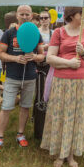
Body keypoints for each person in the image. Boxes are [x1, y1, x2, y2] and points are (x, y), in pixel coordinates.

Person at [41, 7, 84, 167]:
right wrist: (68, 63)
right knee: (62, 116)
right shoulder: (59, 32)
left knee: (77, 117)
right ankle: (61, 153)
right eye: (81, 13)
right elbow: (49, 58)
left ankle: (72, 153)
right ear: (72, 15)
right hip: (63, 82)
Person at [0, 5, 45, 153]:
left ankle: (20, 134)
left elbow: (42, 55)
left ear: (31, 16)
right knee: (6, 106)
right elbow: (0, 54)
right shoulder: (8, 33)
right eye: (22, 14)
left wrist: (34, 57)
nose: (25, 17)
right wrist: (15, 58)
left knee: (25, 107)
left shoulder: (36, 33)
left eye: (27, 14)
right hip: (12, 77)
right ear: (17, 15)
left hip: (30, 77)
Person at [33, 10, 53, 140]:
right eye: (42, 18)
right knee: (39, 95)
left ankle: (49, 126)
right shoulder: (36, 32)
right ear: (39, 20)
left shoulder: (54, 33)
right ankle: (38, 127)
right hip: (38, 65)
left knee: (50, 95)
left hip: (51, 65)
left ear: (50, 19)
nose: (44, 20)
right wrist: (45, 48)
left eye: (46, 18)